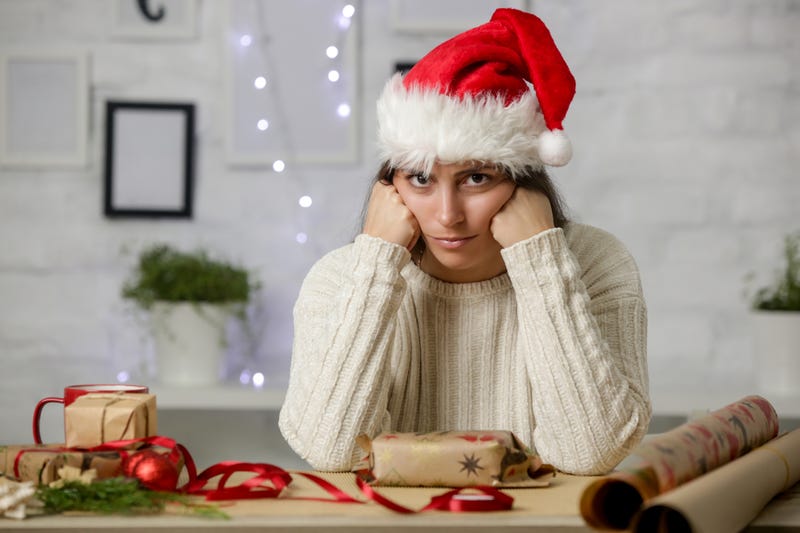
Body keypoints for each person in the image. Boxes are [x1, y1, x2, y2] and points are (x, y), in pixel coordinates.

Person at [279, 8, 650, 476]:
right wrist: (375, 267)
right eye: (420, 179)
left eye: (476, 178)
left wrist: (541, 263)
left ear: (523, 181)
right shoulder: (339, 279)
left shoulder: (596, 263)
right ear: (389, 187)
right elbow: (332, 451)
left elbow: (591, 452)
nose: (448, 215)